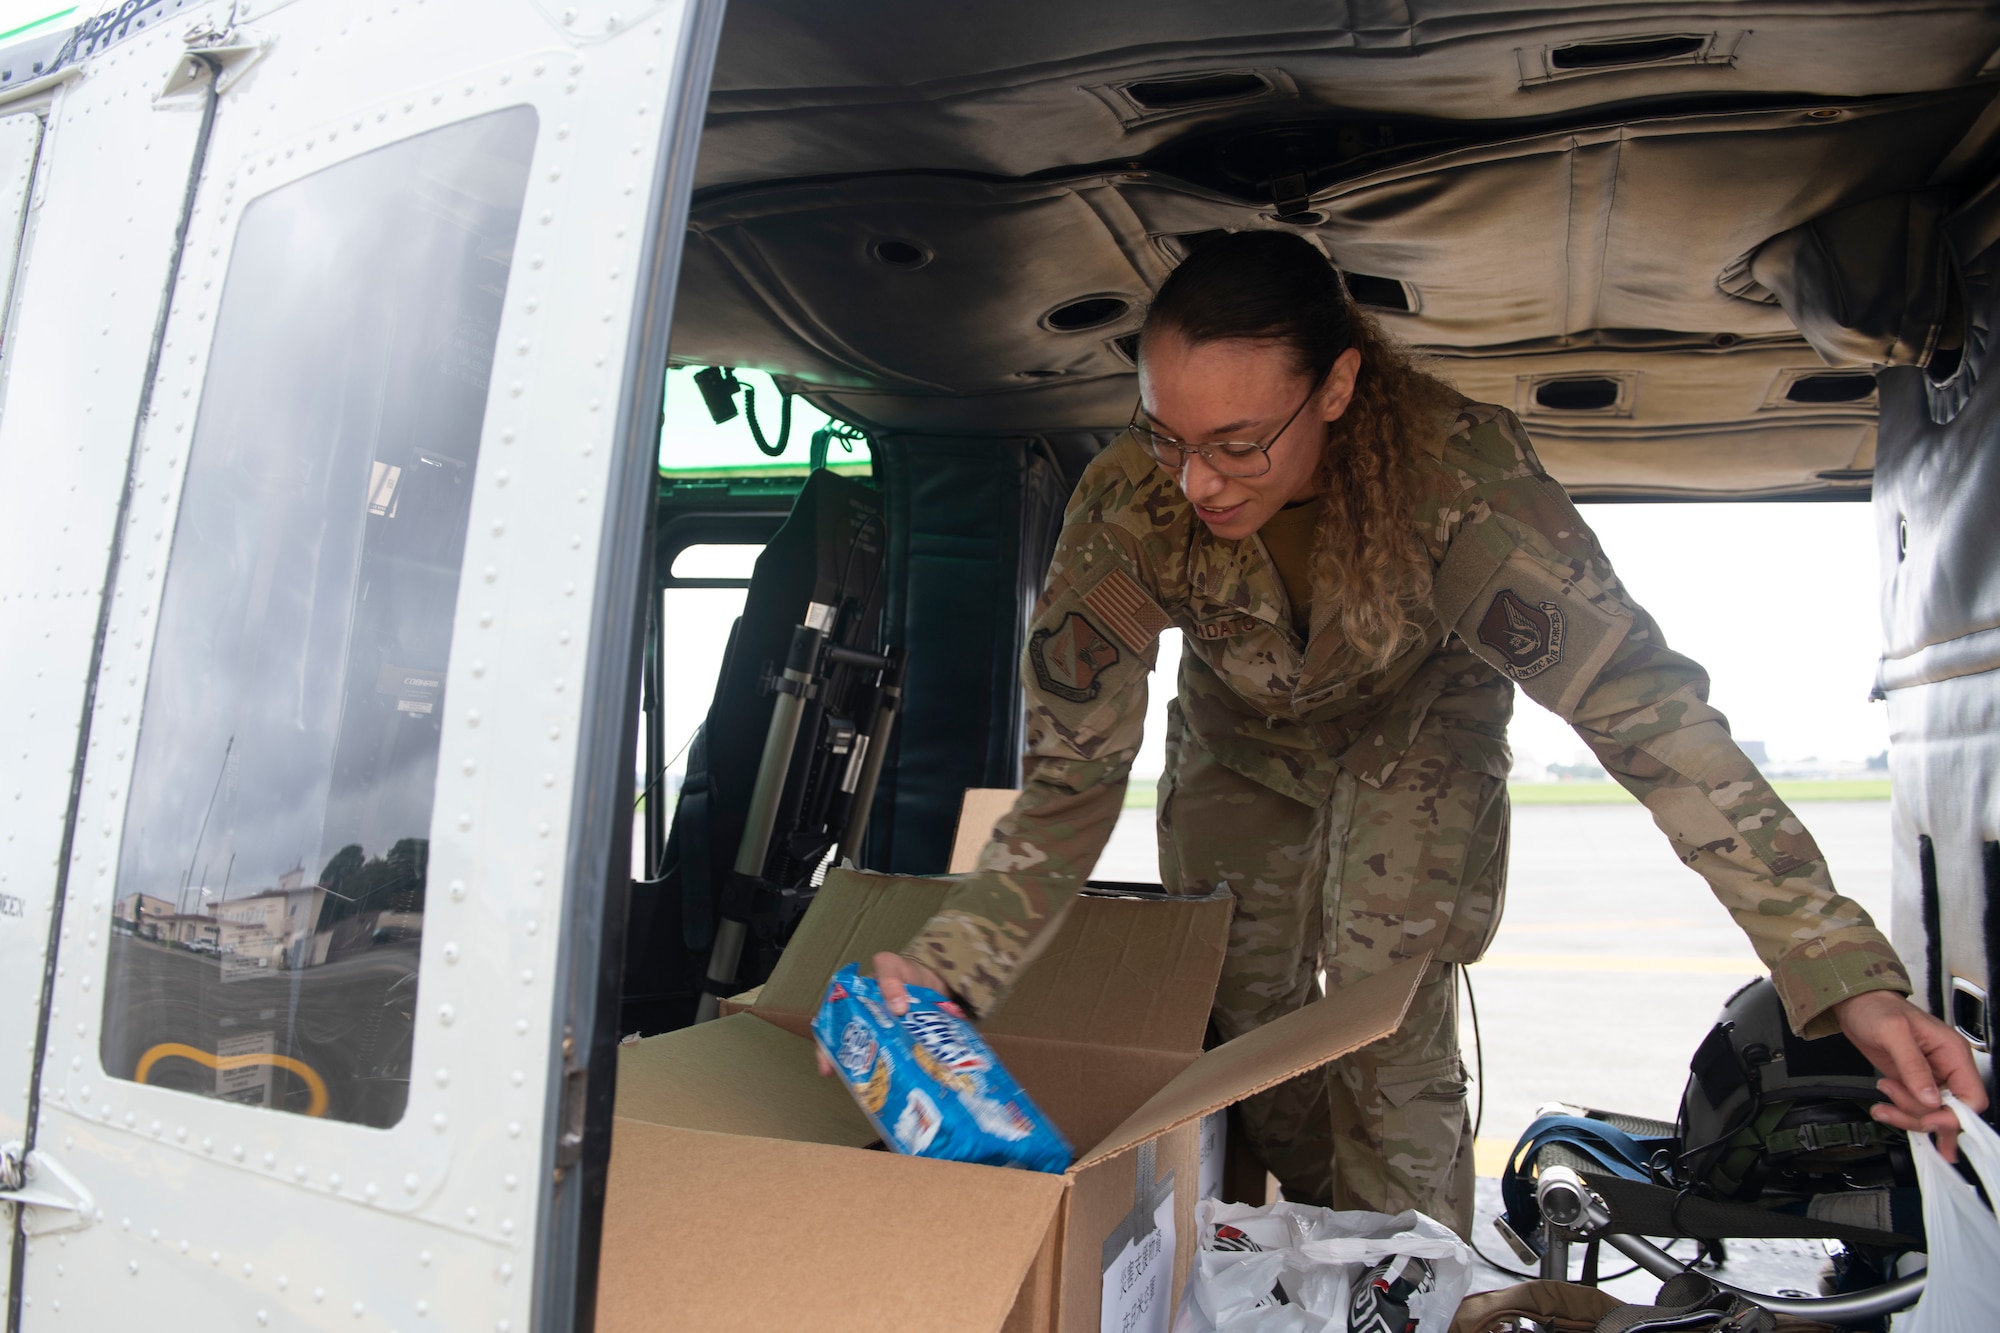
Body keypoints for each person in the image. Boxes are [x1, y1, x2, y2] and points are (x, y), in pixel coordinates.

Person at [846, 230, 1985, 1236]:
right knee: (1253, 1050)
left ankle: (1413, 1275)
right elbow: (1065, 786)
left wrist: (1843, 976)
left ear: (1337, 386)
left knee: (1389, 1057)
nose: (1196, 480)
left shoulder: (1456, 486)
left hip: (1415, 731)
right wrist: (945, 974)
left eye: (1239, 442)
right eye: (1166, 434)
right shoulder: (1129, 506)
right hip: (1239, 747)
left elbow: (1648, 720)